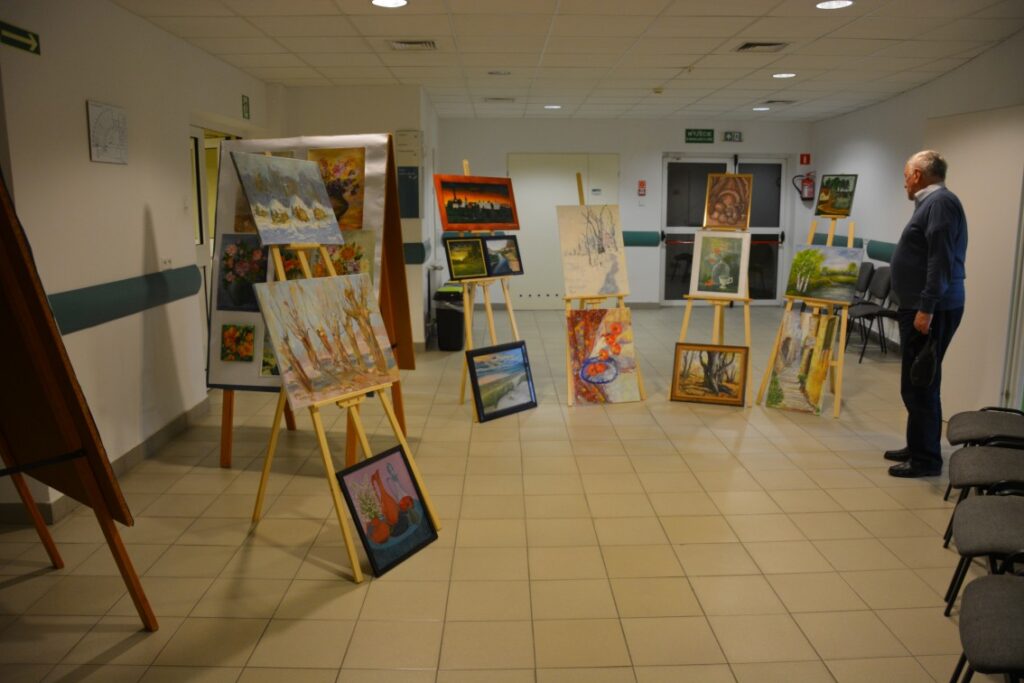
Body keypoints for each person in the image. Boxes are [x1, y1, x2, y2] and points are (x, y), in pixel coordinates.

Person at [885, 150, 968, 477]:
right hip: (923, 305)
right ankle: (917, 445)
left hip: (931, 309)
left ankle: (926, 460)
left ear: (918, 175)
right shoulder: (932, 203)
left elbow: (940, 260)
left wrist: (926, 307)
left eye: (906, 176)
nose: (904, 183)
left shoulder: (940, 204)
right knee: (918, 381)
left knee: (920, 383)